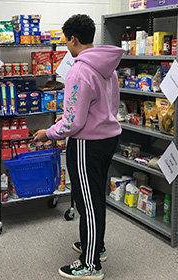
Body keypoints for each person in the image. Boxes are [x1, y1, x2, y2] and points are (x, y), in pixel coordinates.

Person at [33, 14, 124, 279]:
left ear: (73, 39)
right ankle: (97, 247)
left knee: (88, 202)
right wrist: (71, 116)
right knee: (94, 196)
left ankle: (90, 264)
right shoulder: (108, 66)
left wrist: (47, 133)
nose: (64, 44)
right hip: (107, 138)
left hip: (87, 143)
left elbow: (73, 124)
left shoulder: (79, 71)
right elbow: (106, 106)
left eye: (65, 39)